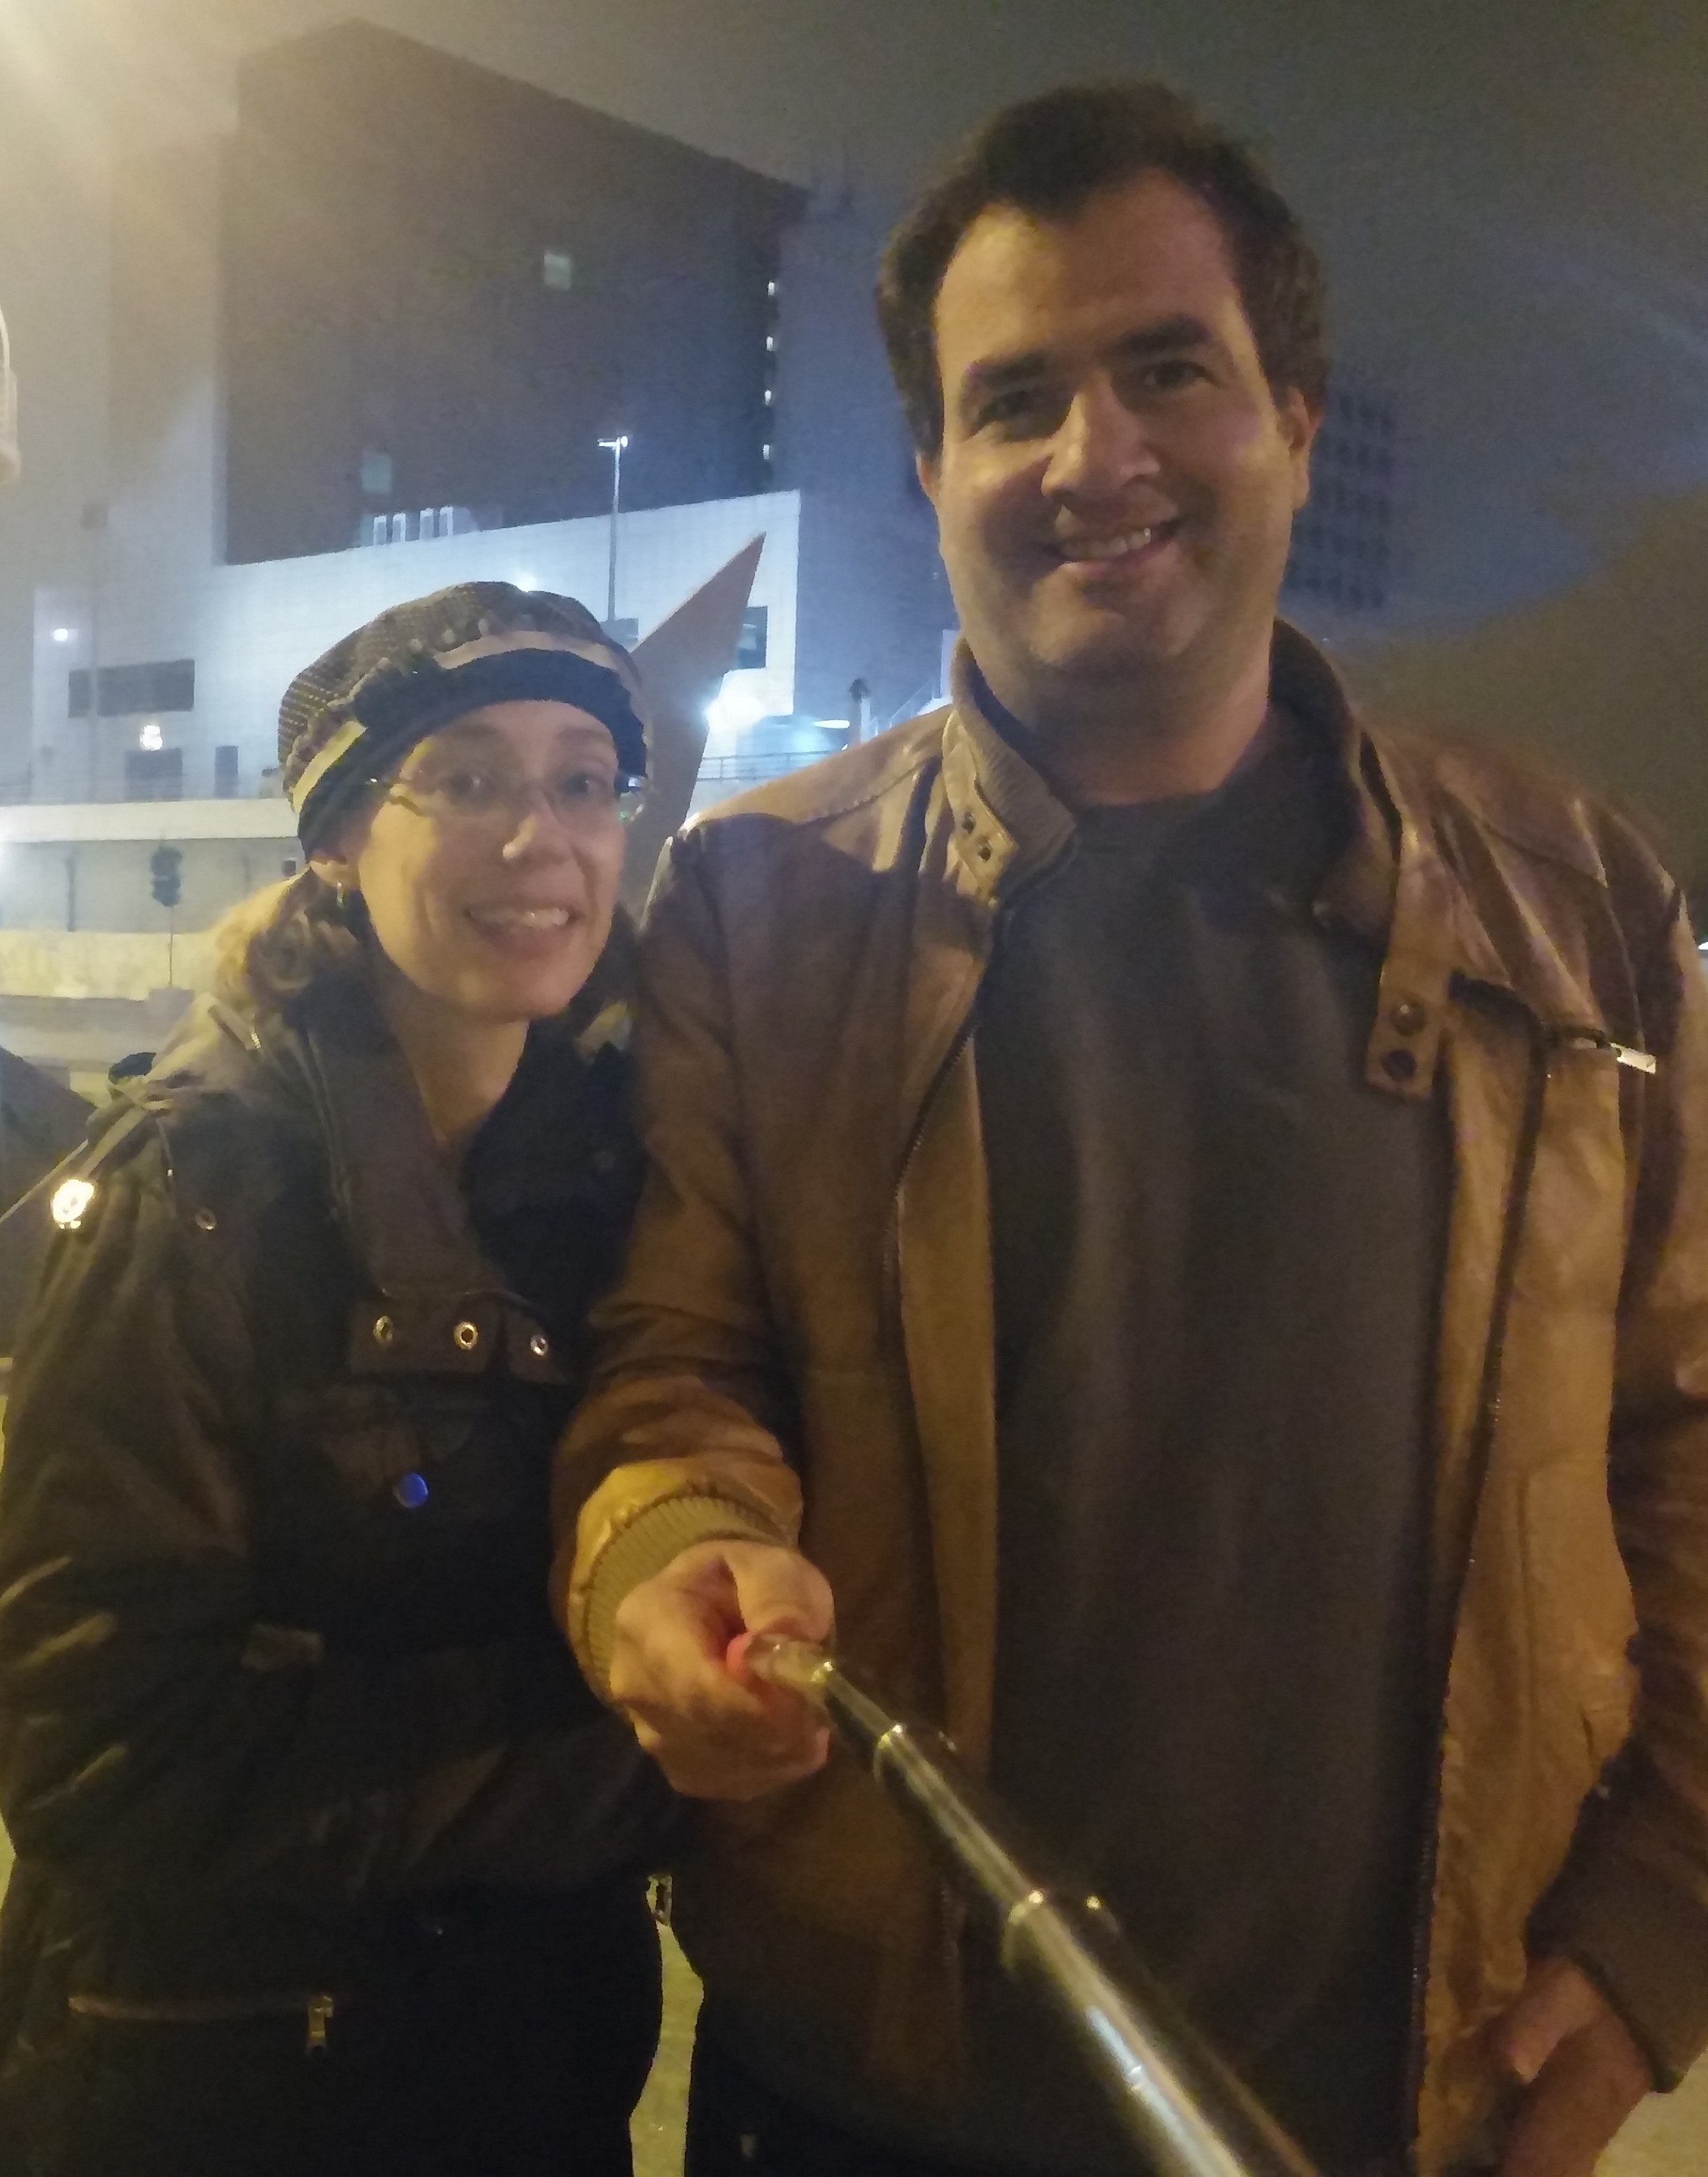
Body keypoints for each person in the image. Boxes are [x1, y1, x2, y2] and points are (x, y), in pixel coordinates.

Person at [550, 81, 1708, 2177]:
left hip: (1419, 2095)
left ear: (1296, 422)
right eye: (1015, 400)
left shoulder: (1578, 901)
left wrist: (1656, 1927)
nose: (1097, 459)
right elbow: (678, 1358)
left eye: (1169, 368)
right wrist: (663, 1545)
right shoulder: (759, 903)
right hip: (872, 2095)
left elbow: (1691, 1434)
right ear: (932, 472)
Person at [0, 583, 681, 2176]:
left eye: (582, 782)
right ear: (340, 836)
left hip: (522, 2080)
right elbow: (102, 1754)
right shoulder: (195, 1192)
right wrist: (635, 1750)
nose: (539, 839)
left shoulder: (609, 1172)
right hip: (214, 2089)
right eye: (467, 780)